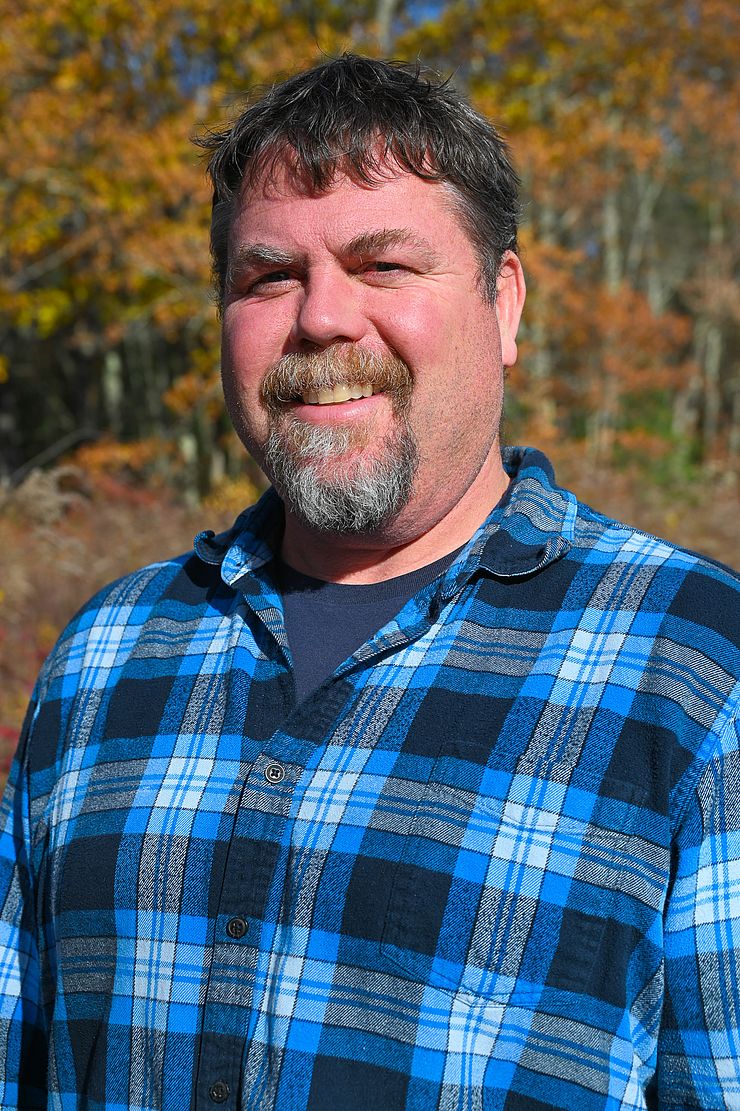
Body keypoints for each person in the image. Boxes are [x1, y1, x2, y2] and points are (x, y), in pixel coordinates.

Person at [0, 54, 738, 1111]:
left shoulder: (693, 669)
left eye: (382, 264)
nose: (321, 319)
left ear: (504, 303)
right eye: (269, 277)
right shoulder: (107, 656)